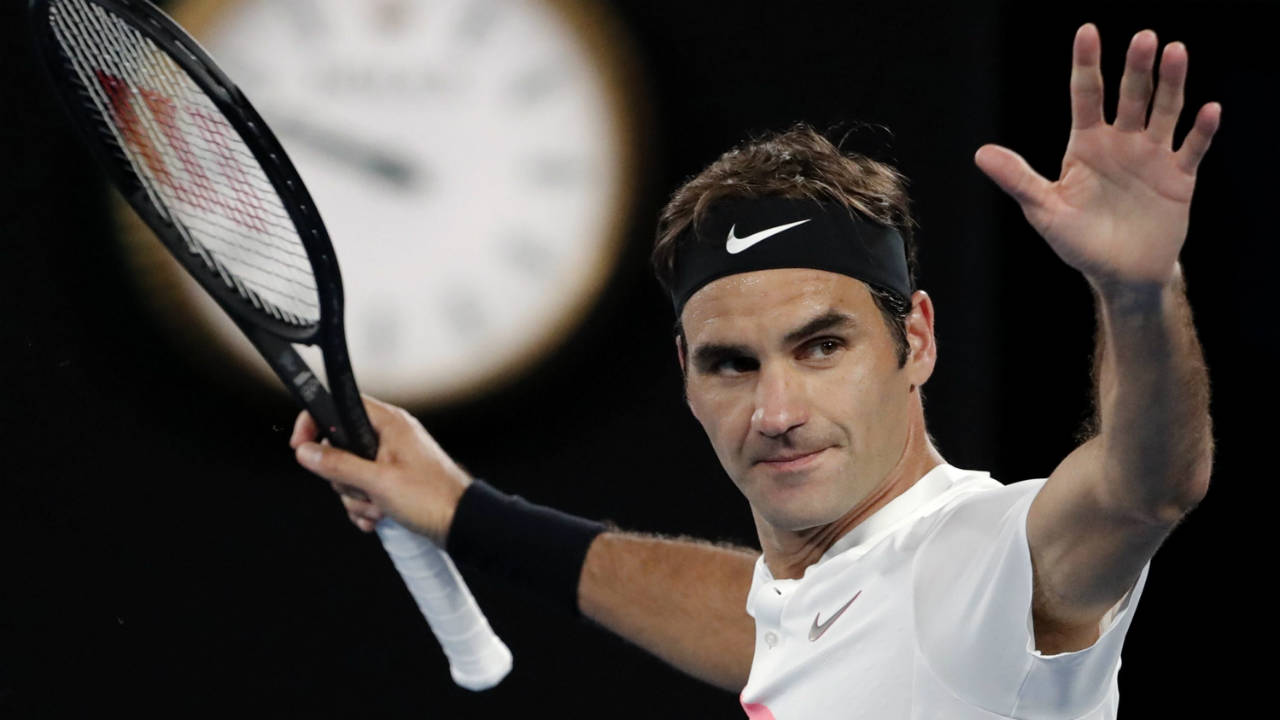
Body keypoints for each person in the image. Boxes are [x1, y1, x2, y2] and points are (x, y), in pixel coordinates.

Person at [290, 23, 1217, 719]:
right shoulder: (817, 594)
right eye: (734, 364)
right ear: (686, 375)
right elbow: (758, 622)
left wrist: (1135, 292)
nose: (775, 410)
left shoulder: (976, 564)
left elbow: (1145, 492)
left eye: (822, 347)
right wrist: (463, 510)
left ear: (917, 341)